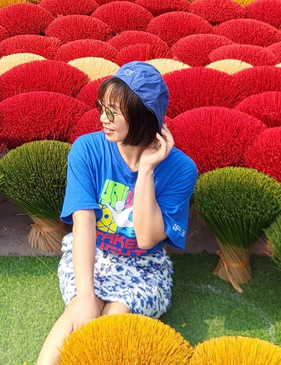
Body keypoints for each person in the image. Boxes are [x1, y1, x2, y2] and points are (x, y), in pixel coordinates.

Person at [36, 61, 198, 365]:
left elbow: (148, 238)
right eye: (102, 107)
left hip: (143, 267)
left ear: (142, 118)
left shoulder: (180, 169)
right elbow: (83, 224)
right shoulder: (87, 149)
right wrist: (85, 298)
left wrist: (147, 170)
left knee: (112, 327)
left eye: (113, 112)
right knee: (78, 313)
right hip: (91, 254)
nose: (102, 118)